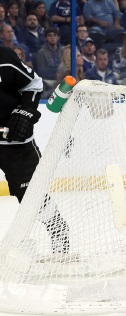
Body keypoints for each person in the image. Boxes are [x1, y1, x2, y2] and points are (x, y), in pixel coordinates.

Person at [0, 46, 69, 254]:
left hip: (15, 144)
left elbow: (34, 83)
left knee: (32, 196)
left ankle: (59, 233)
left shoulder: (4, 58)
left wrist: (25, 110)